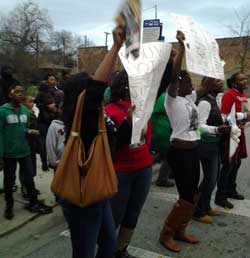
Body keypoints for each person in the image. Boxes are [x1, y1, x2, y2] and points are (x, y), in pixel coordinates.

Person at [60, 26, 125, 258]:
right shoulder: (84, 120)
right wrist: (115, 47)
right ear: (82, 96)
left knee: (109, 245)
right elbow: (96, 90)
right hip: (81, 196)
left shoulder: (98, 114)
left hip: (98, 191)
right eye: (92, 87)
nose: (104, 88)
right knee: (85, 251)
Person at [159, 31, 212, 252]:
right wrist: (180, 47)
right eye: (187, 81)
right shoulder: (171, 99)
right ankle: (167, 234)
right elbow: (173, 76)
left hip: (193, 151)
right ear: (178, 85)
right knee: (186, 196)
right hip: (179, 152)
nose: (192, 84)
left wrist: (210, 60)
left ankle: (180, 230)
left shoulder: (189, 98)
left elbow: (205, 85)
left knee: (194, 194)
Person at [105, 70, 153, 258]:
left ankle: (121, 250)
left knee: (133, 212)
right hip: (121, 172)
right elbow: (112, 145)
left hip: (144, 167)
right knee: (115, 215)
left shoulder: (140, 107)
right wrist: (128, 122)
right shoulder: (110, 110)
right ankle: (106, 251)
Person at [0, 85, 52, 219]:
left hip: (25, 151)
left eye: (22, 92)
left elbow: (23, 128)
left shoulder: (24, 110)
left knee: (29, 177)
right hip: (9, 153)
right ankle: (9, 207)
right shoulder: (2, 111)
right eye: (16, 91)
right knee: (9, 181)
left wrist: (29, 132)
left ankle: (33, 203)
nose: (20, 94)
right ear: (9, 94)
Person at [193, 78, 231, 223]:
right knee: (209, 179)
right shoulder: (204, 102)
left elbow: (215, 117)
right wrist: (216, 129)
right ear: (208, 85)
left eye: (221, 81)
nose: (221, 83)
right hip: (206, 145)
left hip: (214, 144)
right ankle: (198, 211)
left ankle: (206, 206)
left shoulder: (213, 100)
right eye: (217, 81)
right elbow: (199, 126)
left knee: (213, 178)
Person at [215, 73, 250, 209]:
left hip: (239, 132)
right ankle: (221, 196)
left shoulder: (242, 96)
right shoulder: (229, 95)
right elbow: (224, 115)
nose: (245, 80)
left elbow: (247, 116)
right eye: (241, 79)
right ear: (235, 83)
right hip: (230, 135)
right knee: (229, 164)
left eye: (245, 79)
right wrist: (242, 116)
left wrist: (245, 117)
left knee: (237, 162)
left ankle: (231, 189)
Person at [20, 95, 40, 198]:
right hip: (26, 143)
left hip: (33, 143)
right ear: (24, 103)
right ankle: (25, 187)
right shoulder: (25, 114)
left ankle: (30, 186)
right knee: (25, 168)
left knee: (31, 166)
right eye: (29, 102)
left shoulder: (32, 112)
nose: (32, 103)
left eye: (33, 101)